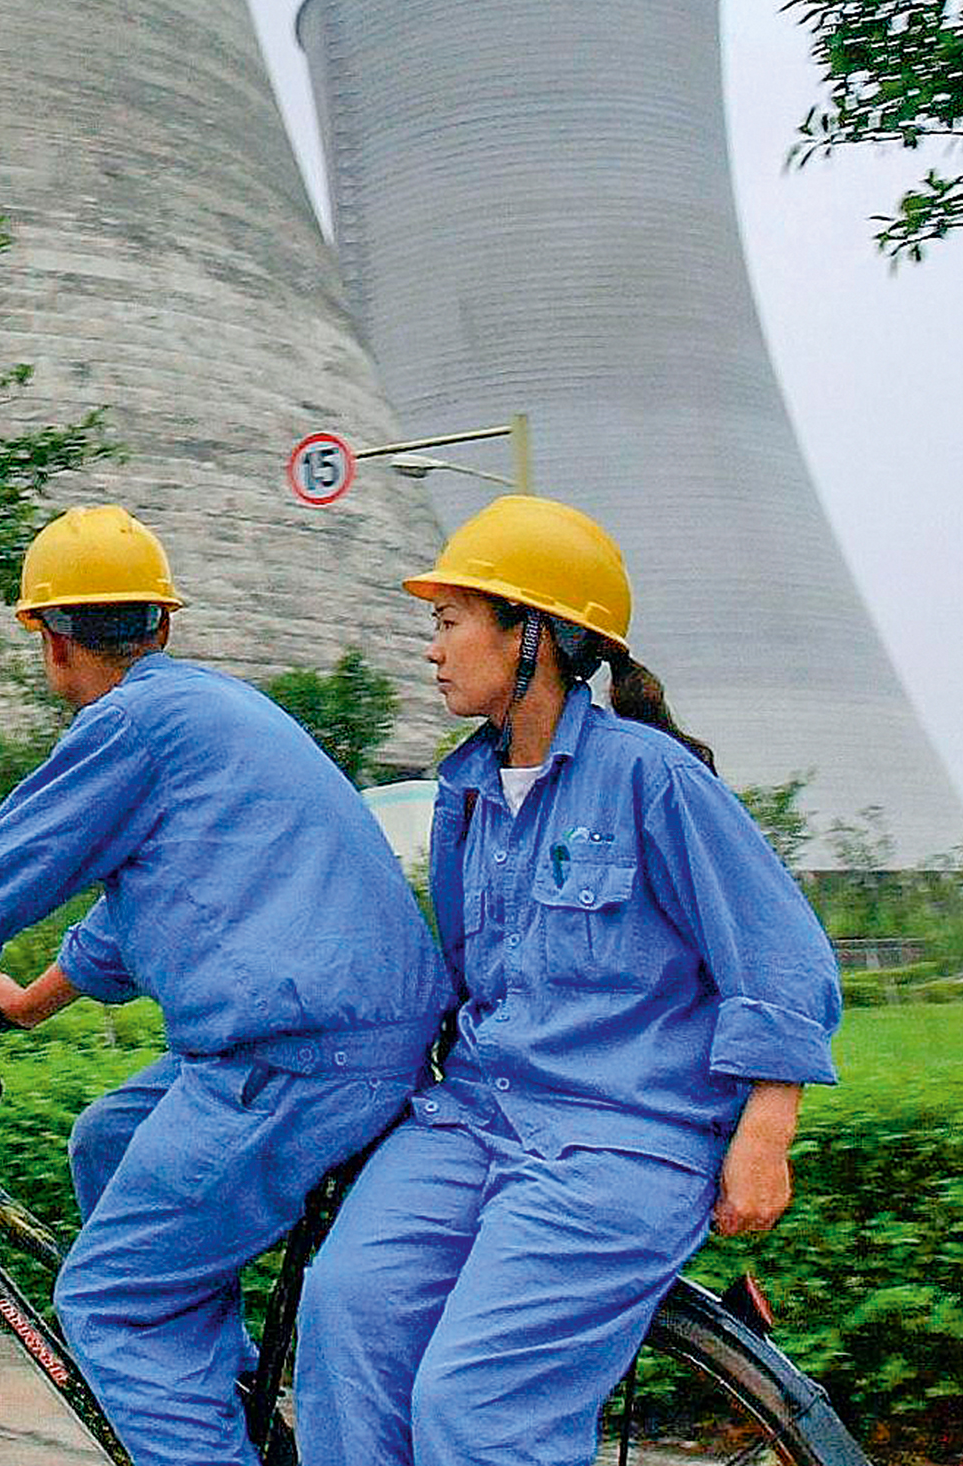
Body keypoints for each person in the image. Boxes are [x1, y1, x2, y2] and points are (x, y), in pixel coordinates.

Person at [0, 502, 451, 1466]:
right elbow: (137, 912)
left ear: (52, 644)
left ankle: (188, 1423)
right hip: (353, 1036)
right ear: (163, 624)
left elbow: (0, 869)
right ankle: (215, 1390)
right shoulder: (209, 708)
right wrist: (27, 1002)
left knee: (109, 1301)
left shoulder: (129, 726)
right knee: (109, 1136)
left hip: (296, 1057)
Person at [295, 494, 842, 1466]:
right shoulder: (466, 789)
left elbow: (780, 950)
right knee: (348, 1309)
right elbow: (466, 984)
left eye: (450, 619)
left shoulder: (653, 778)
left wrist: (765, 1129)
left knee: (476, 1401)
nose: (434, 646)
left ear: (531, 634)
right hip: (475, 1116)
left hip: (621, 1136)